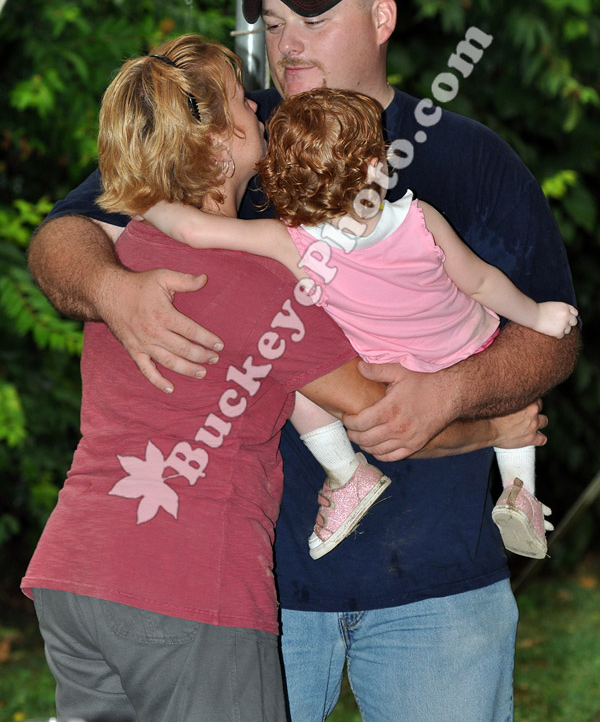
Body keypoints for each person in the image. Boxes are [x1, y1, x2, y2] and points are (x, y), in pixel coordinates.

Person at [27, 0, 579, 722]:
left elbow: (553, 334)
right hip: (248, 587)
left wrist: (456, 392)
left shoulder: (470, 158)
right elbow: (64, 237)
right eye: (274, 22)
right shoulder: (218, 140)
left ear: (382, 19)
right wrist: (113, 290)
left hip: (436, 583)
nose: (285, 45)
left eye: (313, 19)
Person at [21, 35, 404, 722]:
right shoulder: (260, 285)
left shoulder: (129, 254)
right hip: (188, 580)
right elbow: (377, 409)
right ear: (220, 150)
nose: (258, 108)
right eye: (240, 100)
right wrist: (493, 420)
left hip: (74, 573)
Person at [139, 86, 578, 561]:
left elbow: (193, 230)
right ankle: (520, 492)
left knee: (293, 375)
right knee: (517, 404)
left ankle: (347, 473)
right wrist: (537, 315)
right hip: (465, 345)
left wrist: (143, 201)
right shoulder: (419, 219)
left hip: (386, 372)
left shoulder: (291, 244)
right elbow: (481, 282)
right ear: (375, 167)